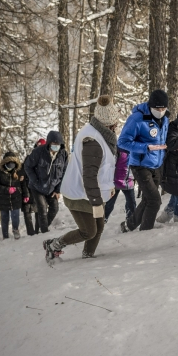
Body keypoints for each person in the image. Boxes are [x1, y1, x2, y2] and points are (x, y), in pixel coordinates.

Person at [44, 95, 120, 260]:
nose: (117, 126)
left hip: (91, 193)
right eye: (115, 123)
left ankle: (88, 257)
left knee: (98, 227)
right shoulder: (93, 141)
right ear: (110, 124)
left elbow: (104, 169)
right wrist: (97, 201)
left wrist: (109, 188)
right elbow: (89, 176)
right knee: (89, 230)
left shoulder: (102, 135)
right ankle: (54, 244)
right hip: (80, 194)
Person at [117, 89, 169, 232]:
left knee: (148, 199)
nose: (161, 111)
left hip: (157, 164)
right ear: (151, 106)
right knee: (154, 201)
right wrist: (146, 147)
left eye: (163, 108)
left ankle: (128, 225)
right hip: (140, 165)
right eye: (157, 108)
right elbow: (122, 142)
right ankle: (146, 232)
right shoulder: (137, 119)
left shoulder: (165, 119)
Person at [23, 131, 68, 233]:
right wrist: (35, 181)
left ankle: (41, 228)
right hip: (37, 187)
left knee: (54, 208)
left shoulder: (63, 155)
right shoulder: (38, 152)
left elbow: (64, 172)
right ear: (49, 143)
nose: (56, 146)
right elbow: (27, 166)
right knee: (42, 208)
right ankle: (44, 232)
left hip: (52, 188)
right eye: (53, 144)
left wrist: (58, 190)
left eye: (58, 144)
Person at [0, 151, 29, 240]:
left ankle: (15, 230)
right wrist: (6, 189)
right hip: (3, 198)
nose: (11, 165)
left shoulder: (19, 171)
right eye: (9, 163)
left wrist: (26, 195)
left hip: (16, 198)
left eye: (13, 163)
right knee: (4, 218)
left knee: (15, 217)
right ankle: (5, 235)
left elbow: (23, 185)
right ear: (5, 163)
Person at [104, 148, 136, 222]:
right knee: (109, 205)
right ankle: (102, 220)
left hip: (129, 182)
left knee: (131, 204)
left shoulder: (134, 151)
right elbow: (111, 165)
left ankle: (130, 221)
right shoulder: (118, 150)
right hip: (115, 182)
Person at [22, 138, 46, 235]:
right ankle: (30, 233)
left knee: (39, 210)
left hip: (40, 189)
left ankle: (37, 230)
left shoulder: (47, 160)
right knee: (27, 212)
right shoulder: (29, 158)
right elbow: (23, 175)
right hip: (28, 187)